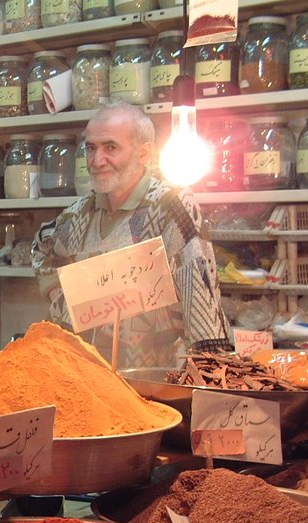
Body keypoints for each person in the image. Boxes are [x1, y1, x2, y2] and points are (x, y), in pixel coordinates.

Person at [32, 101, 230, 369]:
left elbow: (200, 293)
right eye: (91, 148)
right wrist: (63, 299)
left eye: (110, 147)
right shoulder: (79, 214)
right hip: (87, 376)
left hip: (153, 377)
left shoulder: (170, 206)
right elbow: (41, 248)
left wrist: (210, 370)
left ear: (143, 153)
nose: (96, 160)